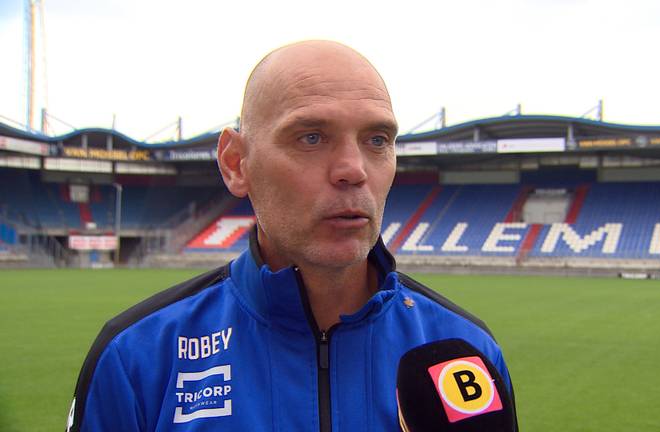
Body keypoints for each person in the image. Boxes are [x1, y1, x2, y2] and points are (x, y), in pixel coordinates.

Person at [67, 40, 518, 432]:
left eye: (377, 140)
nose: (353, 170)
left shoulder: (467, 355)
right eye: (311, 137)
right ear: (235, 162)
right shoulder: (137, 358)